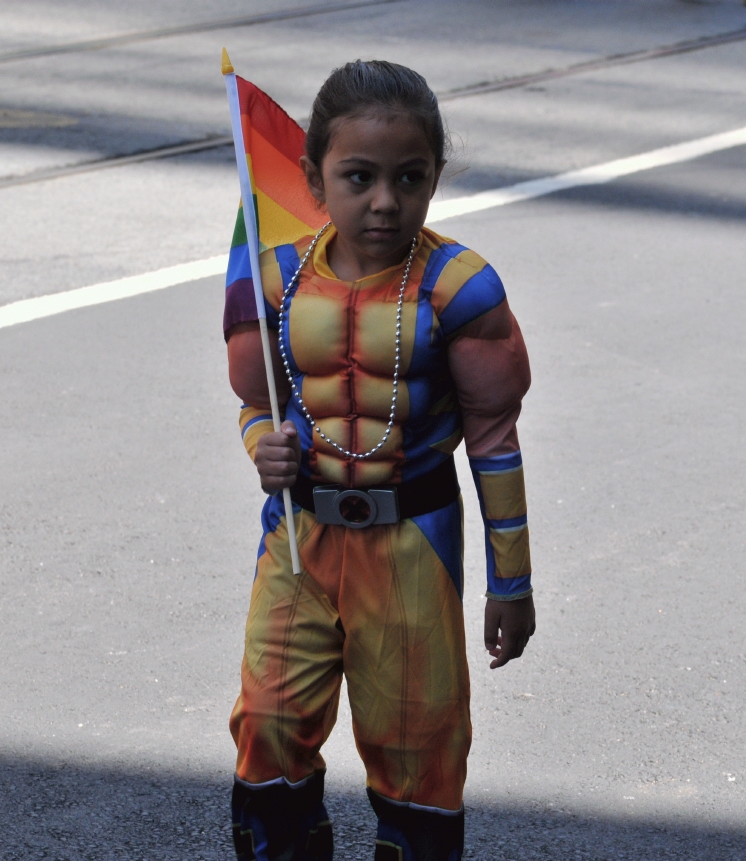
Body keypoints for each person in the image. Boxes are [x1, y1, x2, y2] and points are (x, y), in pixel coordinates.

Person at [223, 60, 536, 861]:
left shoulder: (460, 289)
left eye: (411, 177)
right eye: (358, 177)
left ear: (434, 178)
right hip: (298, 540)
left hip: (411, 546)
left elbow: (495, 443)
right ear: (313, 177)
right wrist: (268, 449)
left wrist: (512, 583)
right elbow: (257, 407)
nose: (386, 201)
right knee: (267, 726)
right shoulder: (275, 283)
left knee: (419, 753)